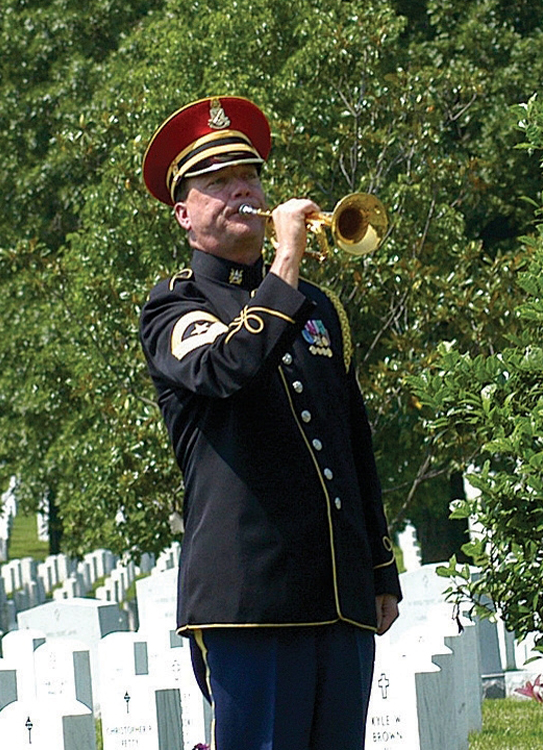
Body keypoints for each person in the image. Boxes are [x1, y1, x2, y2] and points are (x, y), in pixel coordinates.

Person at [138, 95, 402, 750]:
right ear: (183, 213)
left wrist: (379, 570)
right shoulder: (176, 304)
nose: (241, 192)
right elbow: (230, 369)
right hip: (249, 604)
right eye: (218, 183)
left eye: (249, 177)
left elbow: (351, 443)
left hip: (337, 597)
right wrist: (285, 264)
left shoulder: (318, 307)